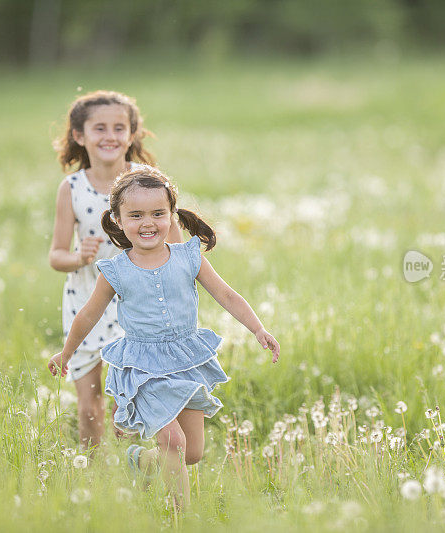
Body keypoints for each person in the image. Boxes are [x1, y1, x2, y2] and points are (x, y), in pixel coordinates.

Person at [48, 167, 279, 509]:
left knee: (192, 452)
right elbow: (88, 315)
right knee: (173, 440)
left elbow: (227, 295)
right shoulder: (116, 270)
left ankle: (143, 461)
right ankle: (179, 519)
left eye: (158, 213)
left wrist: (258, 328)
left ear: (172, 216)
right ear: (118, 219)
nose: (148, 223)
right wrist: (66, 353)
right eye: (136, 215)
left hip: (187, 359)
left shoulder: (189, 257)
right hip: (143, 367)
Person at [49, 91, 181, 450]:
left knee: (130, 402)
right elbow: (56, 256)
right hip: (86, 302)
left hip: (137, 306)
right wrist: (78, 257)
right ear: (80, 135)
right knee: (90, 406)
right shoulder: (72, 188)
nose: (110, 136)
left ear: (132, 133)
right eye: (100, 128)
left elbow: (179, 246)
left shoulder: (149, 181)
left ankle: (134, 467)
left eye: (120, 128)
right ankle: (94, 477)